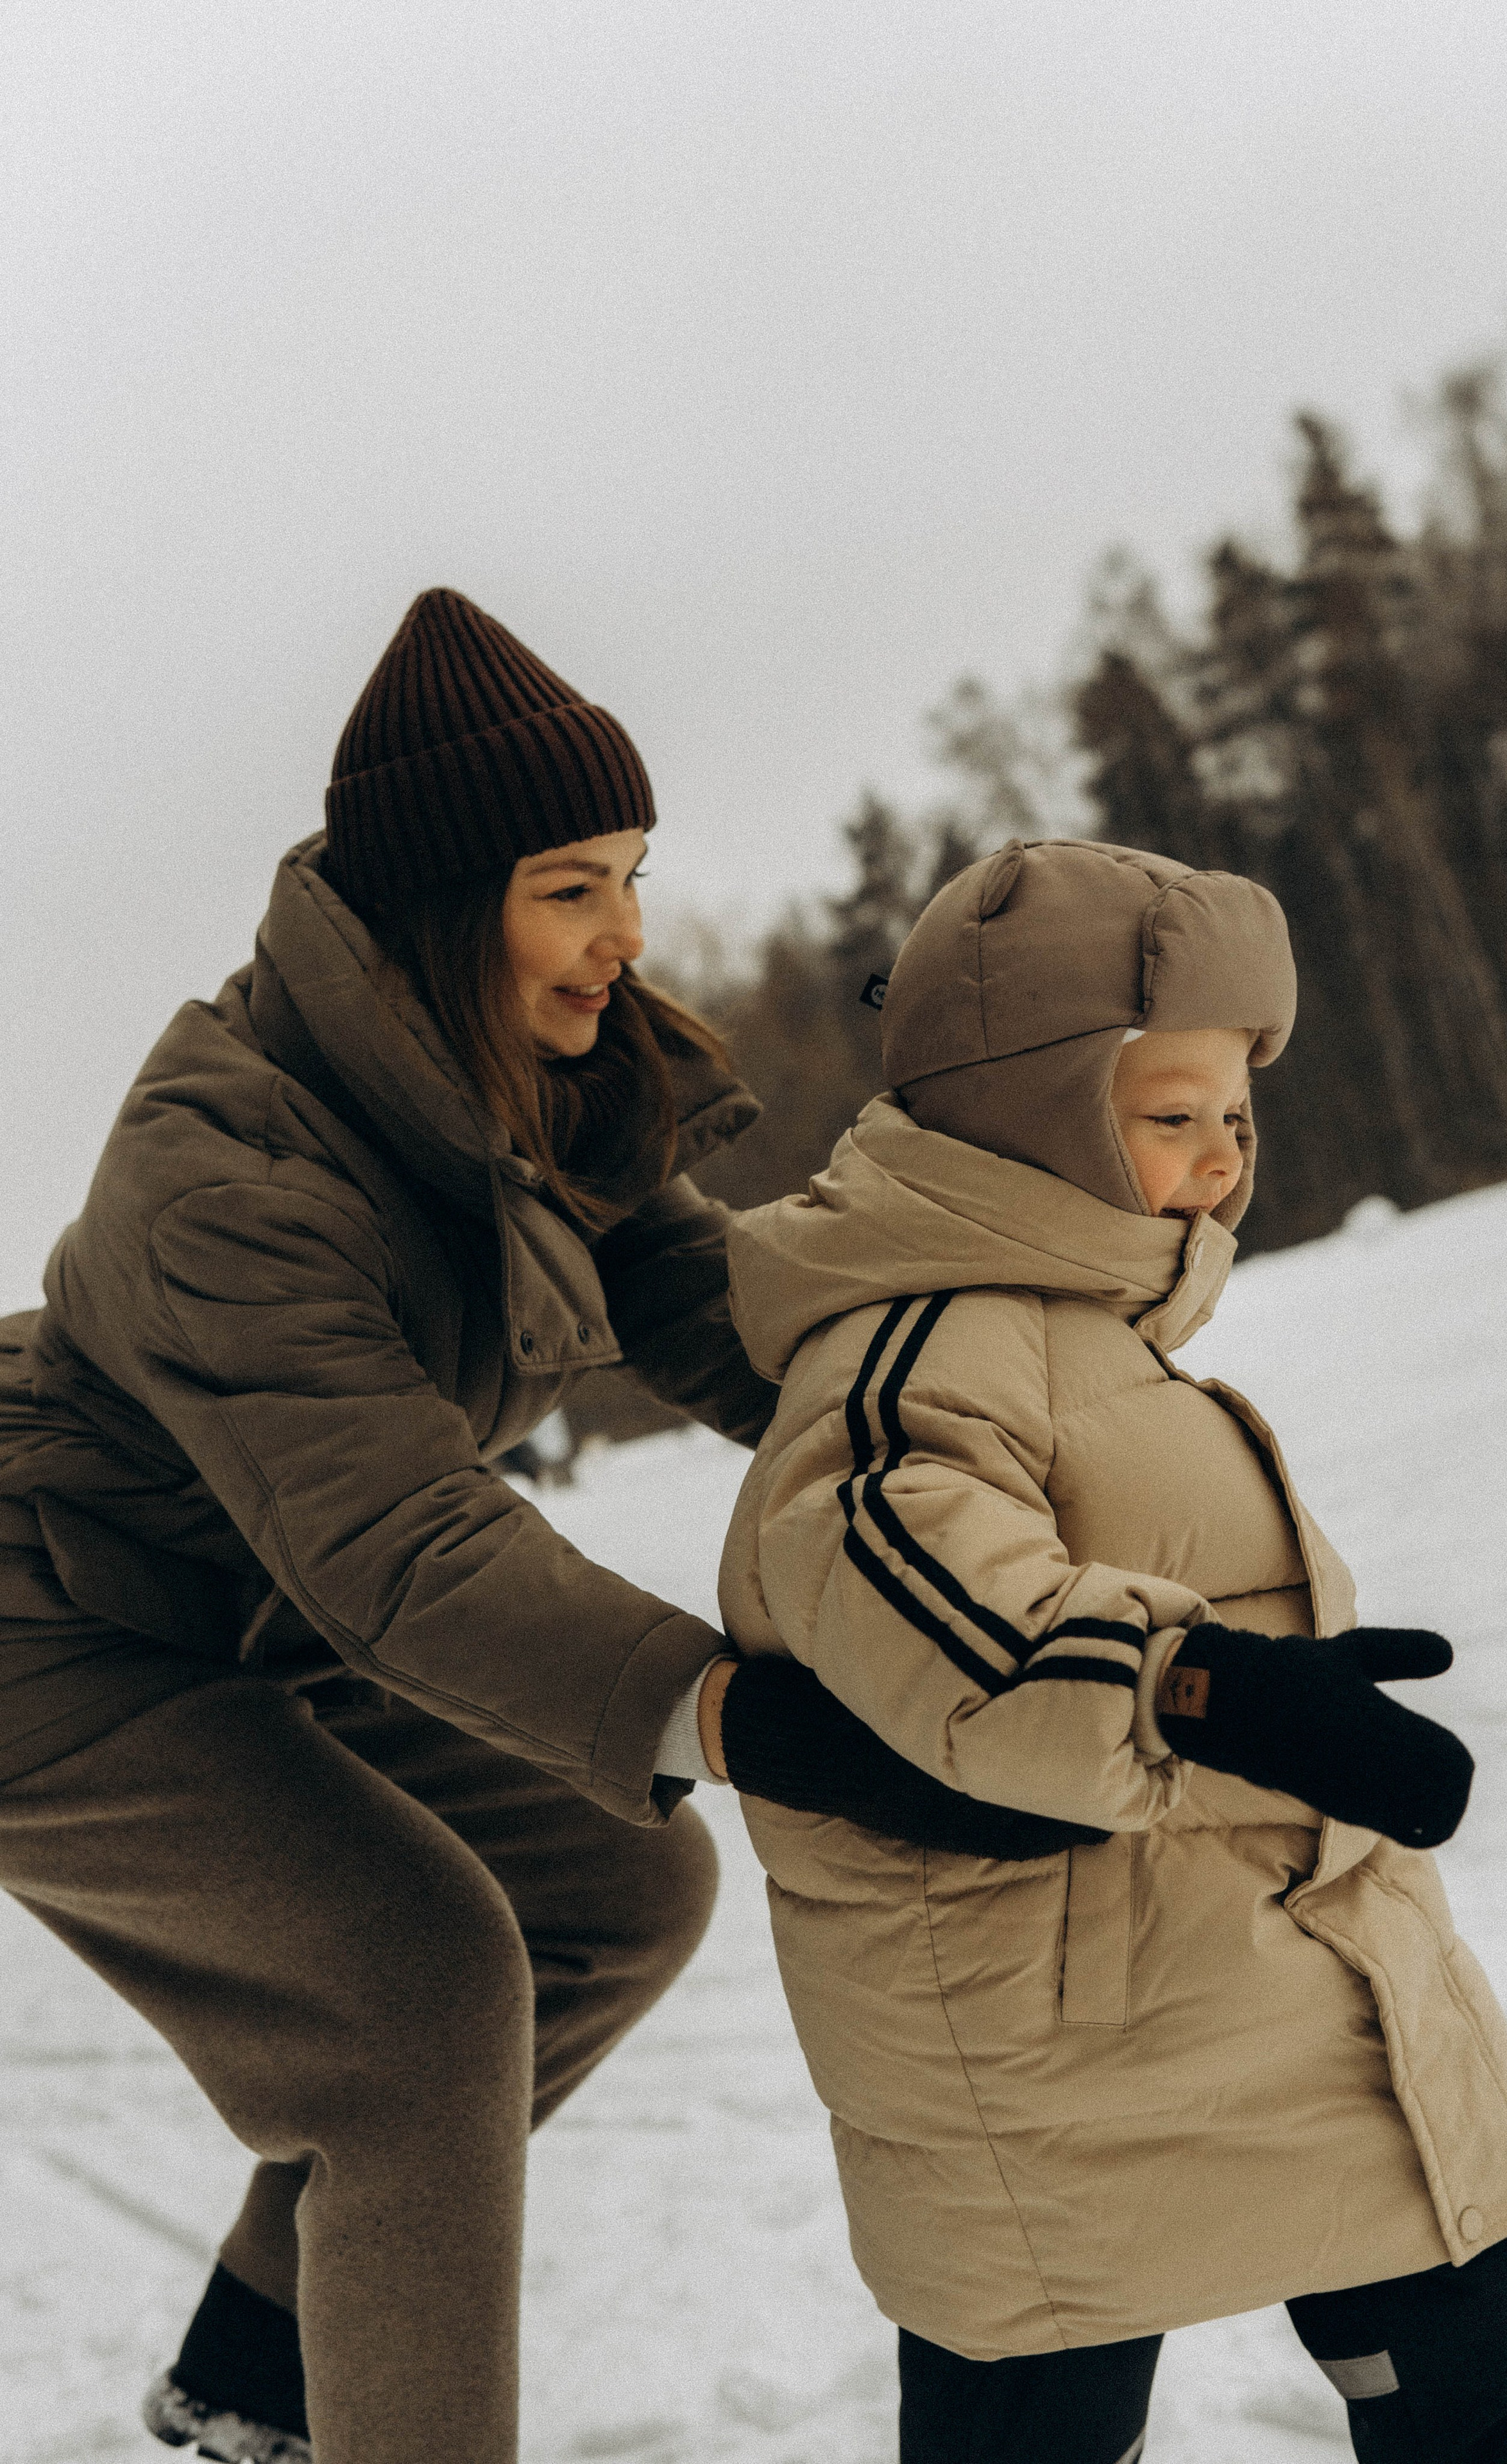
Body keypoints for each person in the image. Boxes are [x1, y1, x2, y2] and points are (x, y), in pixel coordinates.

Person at [0, 588, 1033, 2464]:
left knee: (616, 1889)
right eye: (572, 887)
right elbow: (409, 1550)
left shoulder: (519, 1089)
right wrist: (750, 1719)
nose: (625, 934)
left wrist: (1005, 1439)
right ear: (441, 903)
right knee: (414, 1999)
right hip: (47, 1620)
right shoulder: (226, 1172)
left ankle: (257, 2374)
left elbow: (721, 1316)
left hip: (247, 1593)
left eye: (632, 875)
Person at [714, 838, 1507, 2464]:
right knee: (1038, 2417)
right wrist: (1203, 1686)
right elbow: (934, 1600)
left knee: (1497, 2357)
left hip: (1273, 1983)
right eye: (1171, 1114)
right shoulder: (907, 1354)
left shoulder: (1071, 1333)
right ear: (1025, 1115)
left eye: (1236, 1118)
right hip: (1052, 2050)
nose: (1219, 1158)